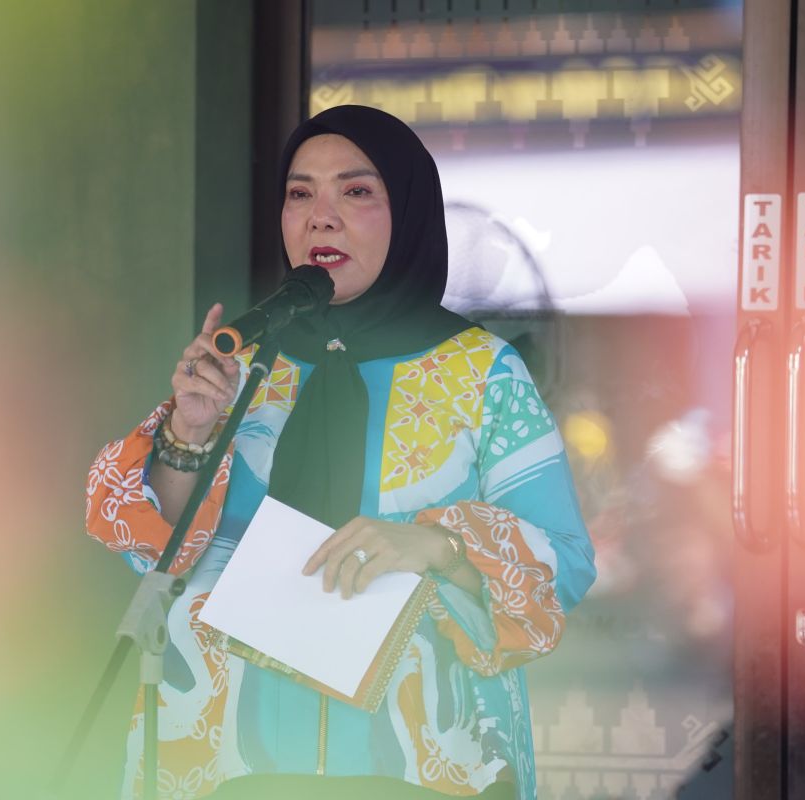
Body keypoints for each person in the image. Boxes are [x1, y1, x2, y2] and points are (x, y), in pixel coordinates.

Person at [85, 105, 596, 800]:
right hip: (225, 758)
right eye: (300, 194)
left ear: (408, 214)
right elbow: (152, 552)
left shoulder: (482, 372)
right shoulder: (242, 365)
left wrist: (437, 546)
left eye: (355, 191)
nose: (320, 218)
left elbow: (563, 563)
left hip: (421, 763)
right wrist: (189, 433)